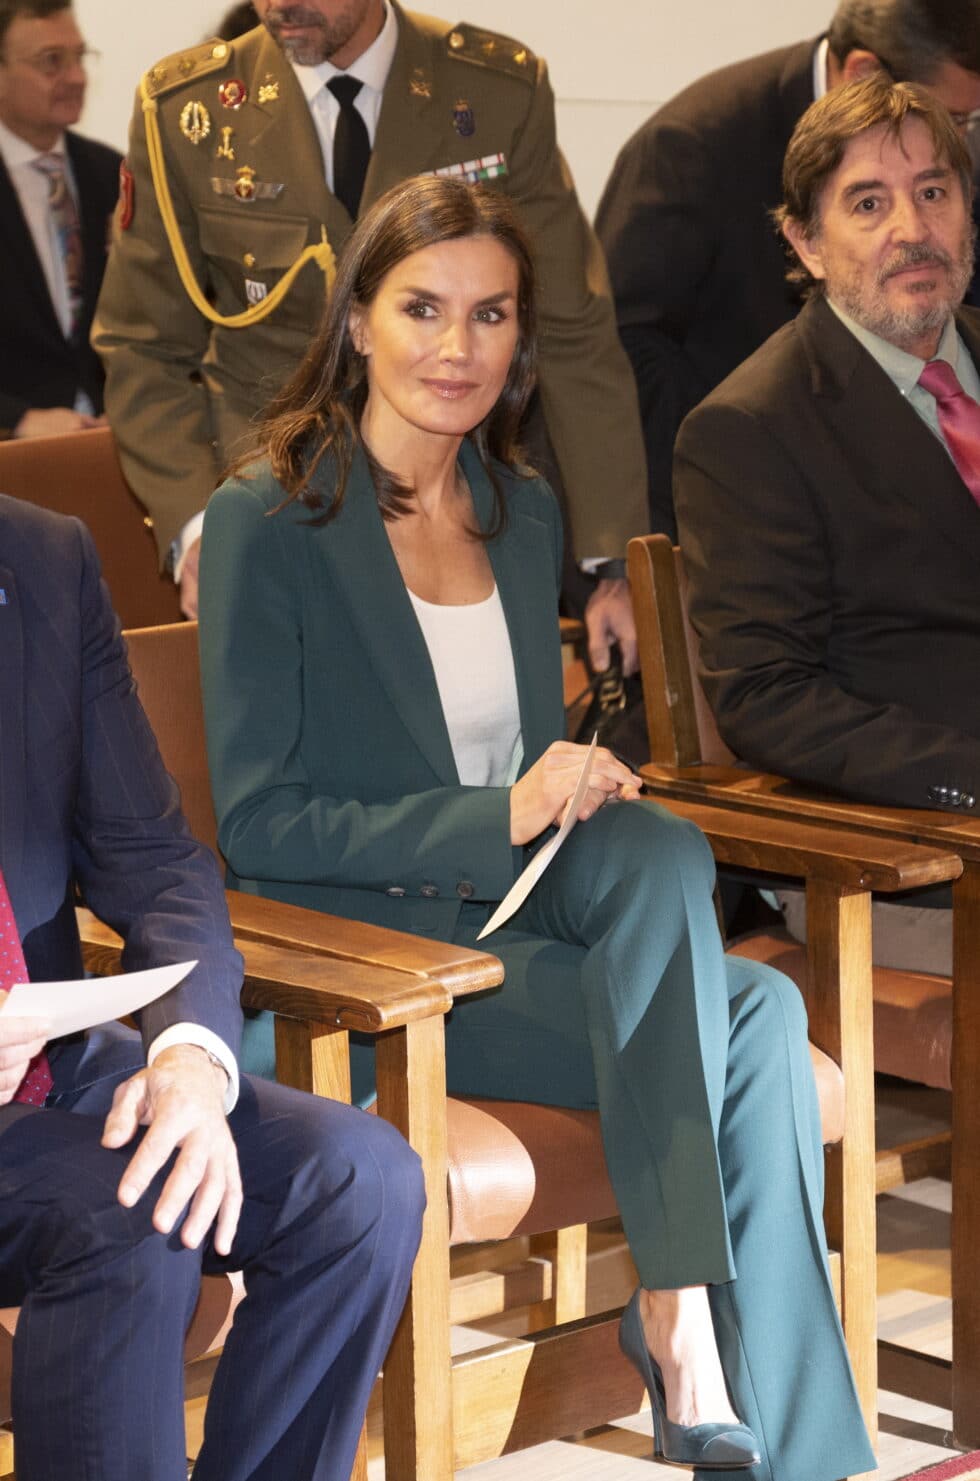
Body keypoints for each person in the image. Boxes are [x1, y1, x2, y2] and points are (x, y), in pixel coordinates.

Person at [198, 173, 875, 1481]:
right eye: (424, 308)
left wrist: (563, 789)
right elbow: (260, 821)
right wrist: (499, 808)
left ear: (521, 336)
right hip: (372, 971)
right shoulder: (265, 520)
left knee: (666, 847)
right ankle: (763, 1414)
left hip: (521, 917)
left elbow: (517, 781)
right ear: (356, 322)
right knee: (762, 1025)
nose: (459, 347)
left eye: (492, 313)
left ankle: (686, 1325)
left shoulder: (523, 516)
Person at [0, 490, 424, 1479]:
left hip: (41, 1059)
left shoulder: (44, 555)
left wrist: (190, 1056)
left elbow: (152, 852)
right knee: (130, 1204)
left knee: (357, 1180)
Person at [92, 0, 646, 676]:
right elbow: (141, 344)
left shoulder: (497, 91)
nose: (280, 5)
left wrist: (611, 560)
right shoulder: (188, 110)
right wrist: (201, 528)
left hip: (457, 490)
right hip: (276, 490)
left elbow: (570, 326)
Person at [674, 73, 980, 975]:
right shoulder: (750, 429)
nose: (912, 229)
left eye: (934, 192)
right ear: (804, 242)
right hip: (912, 860)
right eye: (868, 203)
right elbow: (768, 698)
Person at [596, 0, 980, 538]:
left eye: (933, 190)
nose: (913, 227)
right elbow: (619, 352)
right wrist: (761, 463)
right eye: (954, 118)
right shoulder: (693, 148)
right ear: (865, 73)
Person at [0, 0, 119, 439]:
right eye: (52, 62)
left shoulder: (115, 175)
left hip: (109, 441)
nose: (77, 78)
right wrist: (17, 419)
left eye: (79, 57)